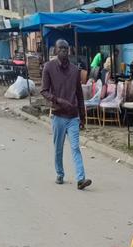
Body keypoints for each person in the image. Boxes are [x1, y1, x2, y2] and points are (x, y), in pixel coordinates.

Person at [41, 39, 92, 190]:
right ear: (55, 50)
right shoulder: (48, 67)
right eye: (61, 48)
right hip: (58, 116)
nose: (64, 51)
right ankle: (60, 173)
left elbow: (79, 95)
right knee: (58, 148)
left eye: (66, 48)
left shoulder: (75, 70)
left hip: (73, 117)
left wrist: (82, 116)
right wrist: (58, 101)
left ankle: (80, 179)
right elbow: (44, 91)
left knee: (76, 147)